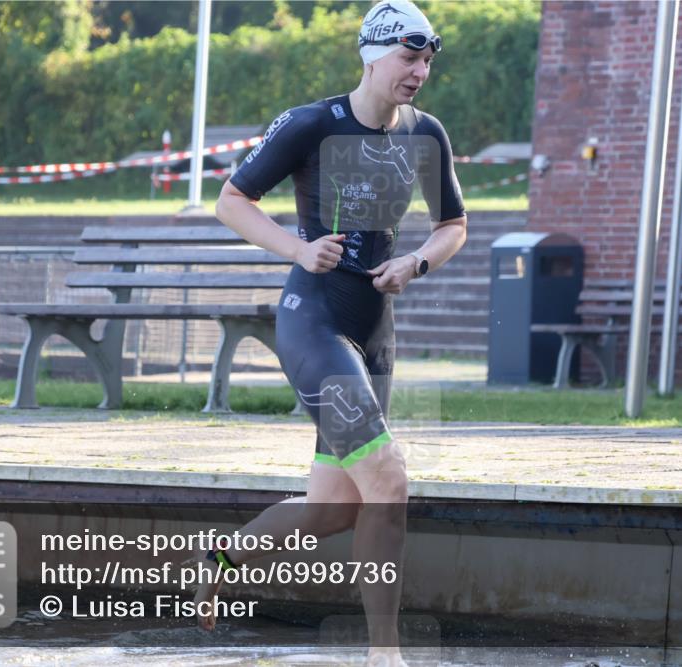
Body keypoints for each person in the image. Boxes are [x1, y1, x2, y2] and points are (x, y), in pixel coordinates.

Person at [204, 2, 466, 665]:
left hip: (375, 332)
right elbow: (232, 200)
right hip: (314, 319)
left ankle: (219, 558)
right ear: (372, 56)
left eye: (427, 60)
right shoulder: (310, 124)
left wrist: (417, 260)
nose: (420, 72)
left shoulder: (426, 134)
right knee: (388, 477)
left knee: (331, 510)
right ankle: (387, 654)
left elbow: (452, 224)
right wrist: (297, 248)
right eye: (409, 59)